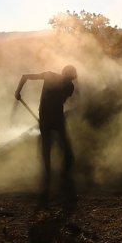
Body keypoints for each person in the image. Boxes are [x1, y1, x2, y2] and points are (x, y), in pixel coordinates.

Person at [15, 65, 77, 207]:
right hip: (48, 120)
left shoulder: (69, 86)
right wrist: (17, 91)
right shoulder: (51, 77)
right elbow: (25, 76)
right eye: (70, 77)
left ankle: (61, 184)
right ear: (66, 74)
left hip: (55, 119)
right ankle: (48, 188)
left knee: (67, 155)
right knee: (48, 153)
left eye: (71, 78)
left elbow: (60, 103)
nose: (70, 80)